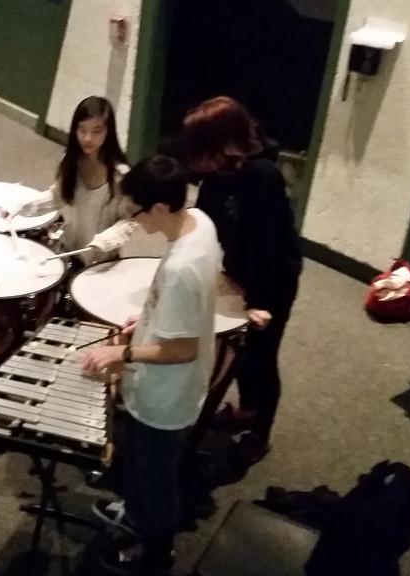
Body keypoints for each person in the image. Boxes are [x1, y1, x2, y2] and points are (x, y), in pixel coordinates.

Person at [82, 155, 221, 575]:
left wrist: (121, 354)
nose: (133, 220)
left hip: (166, 395)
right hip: (172, 383)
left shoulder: (181, 268)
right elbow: (181, 308)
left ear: (161, 208)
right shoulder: (200, 221)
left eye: (136, 211)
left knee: (157, 477)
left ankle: (156, 553)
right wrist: (145, 318)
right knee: (142, 465)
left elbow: (182, 350)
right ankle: (136, 514)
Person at [182, 96, 303, 466]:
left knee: (261, 358)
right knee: (239, 352)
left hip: (271, 282)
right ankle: (246, 410)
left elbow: (264, 246)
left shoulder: (261, 176)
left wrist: (257, 303)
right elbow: (204, 217)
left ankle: (258, 431)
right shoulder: (221, 171)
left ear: (223, 142)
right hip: (236, 270)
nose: (197, 157)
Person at [6, 96, 135, 263]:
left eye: (96, 131)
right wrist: (27, 206)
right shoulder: (71, 161)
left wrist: (104, 242)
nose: (88, 138)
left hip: (102, 262)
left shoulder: (121, 175)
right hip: (69, 251)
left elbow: (129, 221)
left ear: (108, 132)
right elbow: (59, 196)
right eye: (82, 130)